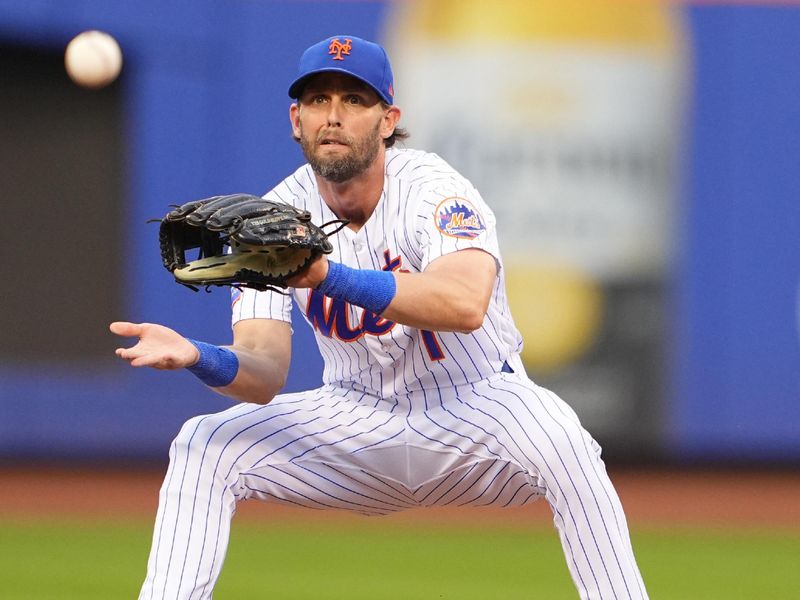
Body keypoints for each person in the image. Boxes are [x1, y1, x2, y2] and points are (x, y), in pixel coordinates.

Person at [111, 35, 649, 600]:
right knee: (205, 442)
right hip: (356, 417)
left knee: (562, 439)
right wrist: (200, 356)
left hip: (478, 408)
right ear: (296, 119)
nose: (334, 116)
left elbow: (465, 305)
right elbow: (264, 374)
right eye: (317, 99)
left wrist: (327, 277)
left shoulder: (432, 189)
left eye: (355, 99)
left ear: (388, 119)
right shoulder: (272, 221)